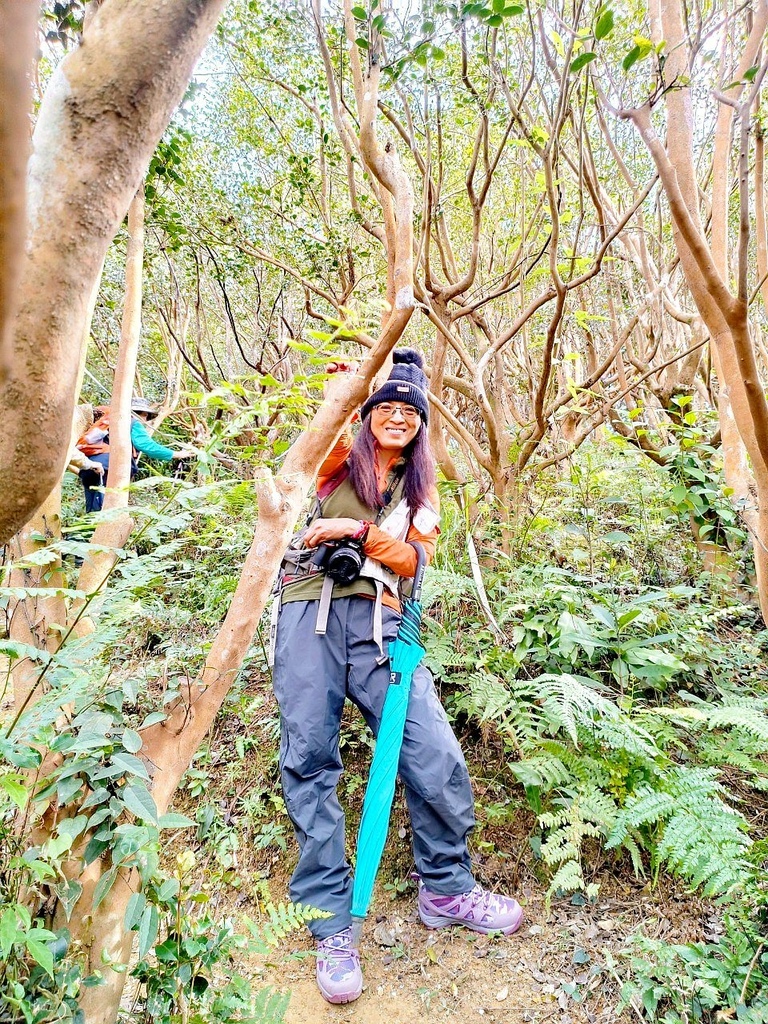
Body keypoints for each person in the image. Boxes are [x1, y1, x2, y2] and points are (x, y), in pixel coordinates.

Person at [271, 350, 522, 1006]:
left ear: (421, 425)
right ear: (369, 414)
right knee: (309, 761)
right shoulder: (340, 461)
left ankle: (445, 887)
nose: (398, 418)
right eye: (387, 406)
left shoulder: (420, 488)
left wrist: (356, 529)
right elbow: (314, 444)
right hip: (309, 616)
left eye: (410, 412)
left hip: (383, 627)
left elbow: (414, 560)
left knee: (432, 752)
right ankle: (330, 924)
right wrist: (344, 387)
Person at [77, 397, 189, 513]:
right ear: (142, 414)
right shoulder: (132, 422)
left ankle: (92, 529)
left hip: (89, 466)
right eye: (146, 415)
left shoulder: (108, 421)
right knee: (108, 509)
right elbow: (146, 445)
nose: (146, 419)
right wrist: (177, 454)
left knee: (93, 508)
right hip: (110, 468)